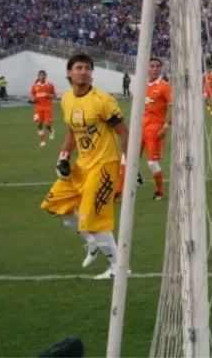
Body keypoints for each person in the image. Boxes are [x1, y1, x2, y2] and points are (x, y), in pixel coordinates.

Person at [40, 53, 130, 280]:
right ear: (69, 73)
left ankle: (119, 268)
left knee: (93, 218)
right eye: (79, 68)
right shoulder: (66, 99)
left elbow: (124, 133)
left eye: (88, 68)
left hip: (104, 165)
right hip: (82, 165)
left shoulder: (103, 100)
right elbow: (72, 132)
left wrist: (127, 166)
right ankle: (92, 242)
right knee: (55, 206)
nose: (84, 72)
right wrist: (63, 157)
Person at [138, 57, 171, 200]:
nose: (155, 68)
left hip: (155, 129)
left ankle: (159, 191)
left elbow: (174, 107)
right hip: (140, 128)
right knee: (127, 157)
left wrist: (166, 126)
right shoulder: (142, 85)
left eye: (157, 66)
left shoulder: (164, 86)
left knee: (151, 163)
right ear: (147, 68)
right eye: (152, 66)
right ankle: (120, 192)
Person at [30, 70, 57, 146]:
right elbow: (32, 95)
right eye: (40, 75)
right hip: (38, 108)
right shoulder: (35, 86)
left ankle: (51, 130)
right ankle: (42, 141)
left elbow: (54, 95)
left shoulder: (50, 85)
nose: (42, 77)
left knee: (47, 124)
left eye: (43, 75)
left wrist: (48, 95)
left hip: (47, 107)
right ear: (38, 77)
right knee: (39, 124)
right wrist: (32, 99)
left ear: (46, 76)